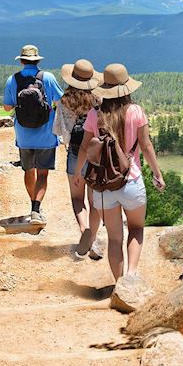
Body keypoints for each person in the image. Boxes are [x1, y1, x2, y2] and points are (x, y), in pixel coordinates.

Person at [73, 63, 165, 281]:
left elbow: (85, 147)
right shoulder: (136, 111)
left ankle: (118, 284)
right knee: (136, 230)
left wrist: (78, 173)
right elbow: (146, 145)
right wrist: (157, 174)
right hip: (131, 181)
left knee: (114, 238)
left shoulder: (95, 115)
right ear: (126, 88)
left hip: (104, 186)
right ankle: (131, 276)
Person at [3, 45, 63, 225]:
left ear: (21, 61)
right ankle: (36, 209)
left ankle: (33, 205)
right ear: (38, 60)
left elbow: (7, 107)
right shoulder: (49, 78)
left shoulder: (13, 79)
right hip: (46, 135)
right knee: (43, 174)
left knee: (28, 170)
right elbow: (60, 101)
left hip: (23, 135)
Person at [54, 59, 104, 259]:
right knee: (95, 202)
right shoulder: (98, 102)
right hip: (96, 155)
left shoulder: (64, 101)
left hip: (75, 152)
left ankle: (84, 230)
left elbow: (59, 131)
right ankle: (93, 240)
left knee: (77, 198)